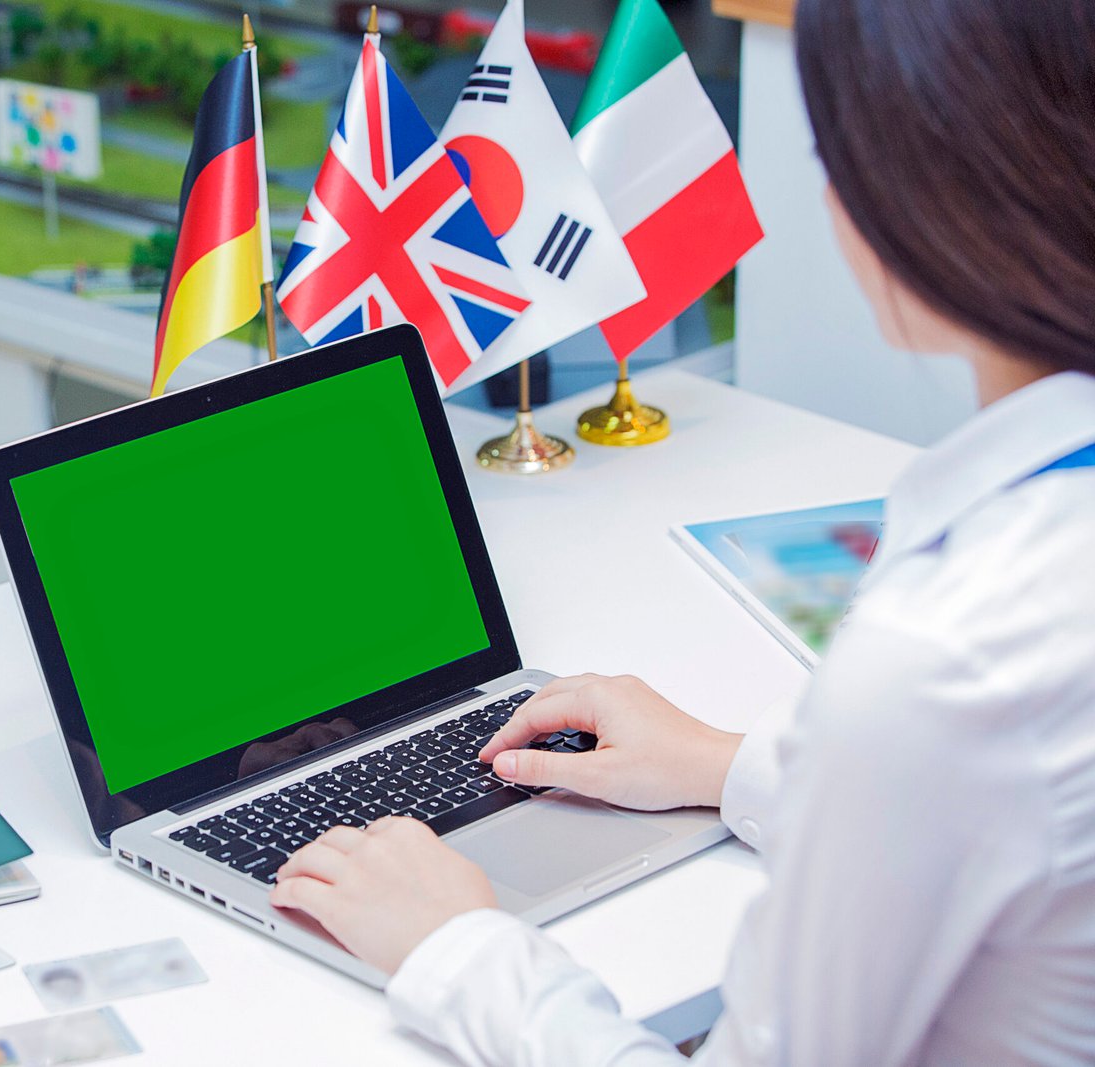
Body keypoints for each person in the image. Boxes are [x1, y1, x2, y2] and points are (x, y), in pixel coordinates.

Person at [267, 0, 1095, 1061]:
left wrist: (454, 944)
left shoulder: (942, 658)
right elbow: (1012, 816)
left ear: (910, 196)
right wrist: (727, 762)